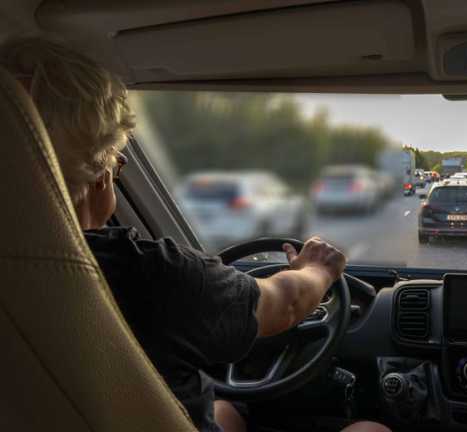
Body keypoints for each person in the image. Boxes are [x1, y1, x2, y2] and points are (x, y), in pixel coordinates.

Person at [1, 37, 390, 432]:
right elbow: (287, 305)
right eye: (118, 167)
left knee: (226, 410)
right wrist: (318, 269)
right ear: (100, 174)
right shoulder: (150, 274)